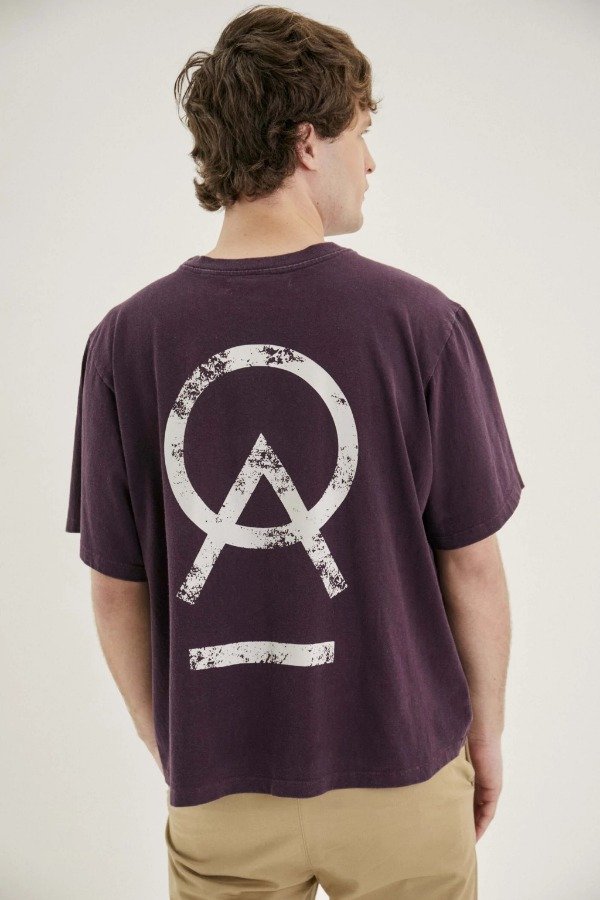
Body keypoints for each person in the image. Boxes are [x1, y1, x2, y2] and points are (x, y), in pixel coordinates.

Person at [65, 5, 525, 898]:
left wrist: (177, 747)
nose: (371, 161)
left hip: (220, 786)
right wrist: (488, 737)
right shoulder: (421, 324)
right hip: (402, 771)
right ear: (309, 142)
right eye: (362, 131)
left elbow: (116, 588)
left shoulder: (125, 341)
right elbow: (471, 563)